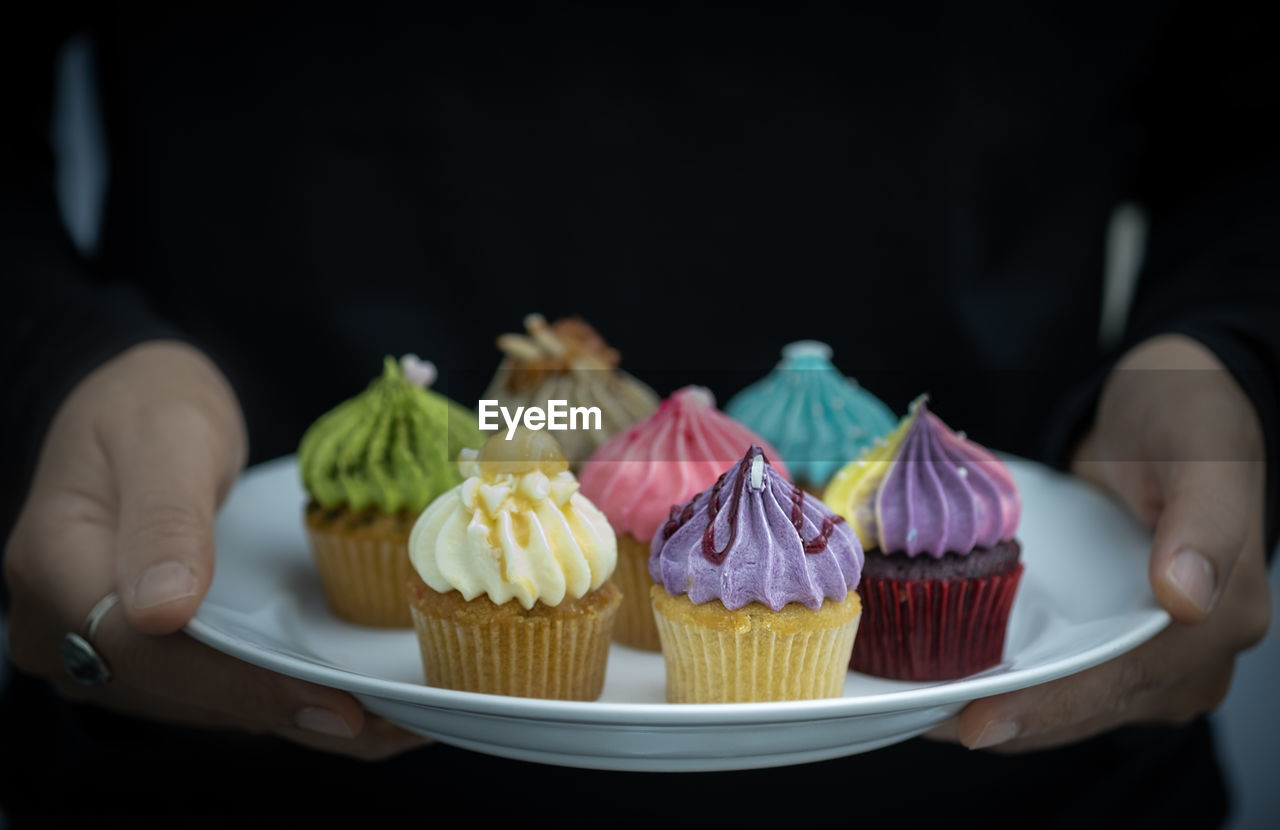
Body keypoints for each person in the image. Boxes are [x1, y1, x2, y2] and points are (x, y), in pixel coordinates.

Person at [2, 4, 1275, 827]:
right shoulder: (542, 457)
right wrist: (52, 359)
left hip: (1031, 791)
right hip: (223, 767)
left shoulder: (756, 488)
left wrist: (1225, 358)